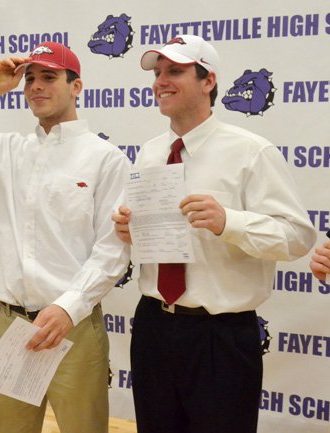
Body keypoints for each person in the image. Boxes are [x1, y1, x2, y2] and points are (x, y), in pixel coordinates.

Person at [111, 35, 316, 433]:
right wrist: (128, 229)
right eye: (157, 72)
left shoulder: (251, 152)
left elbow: (296, 238)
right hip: (154, 325)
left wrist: (229, 222)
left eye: (175, 71)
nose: (161, 81)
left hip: (219, 336)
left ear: (209, 81)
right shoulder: (150, 152)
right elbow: (135, 226)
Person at [0, 42, 131, 433]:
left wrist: (69, 307)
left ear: (77, 87)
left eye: (49, 77)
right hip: (10, 325)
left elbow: (112, 250)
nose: (36, 87)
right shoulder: (4, 150)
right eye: (31, 79)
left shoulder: (105, 158)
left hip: (72, 325)